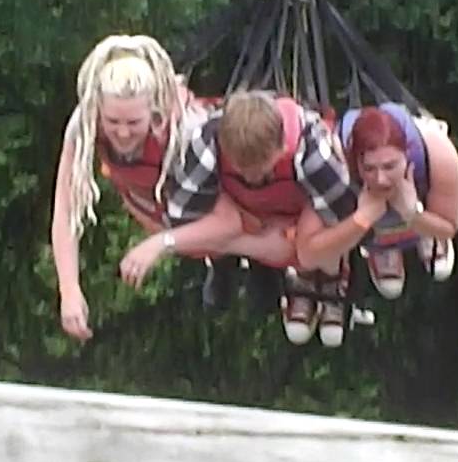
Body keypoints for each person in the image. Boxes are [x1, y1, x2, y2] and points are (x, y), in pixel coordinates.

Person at [50, 36, 286, 343]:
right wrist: (69, 289)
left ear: (154, 111)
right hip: (148, 202)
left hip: (212, 205)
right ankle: (219, 260)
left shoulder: (186, 131)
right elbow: (66, 209)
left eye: (134, 122)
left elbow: (229, 221)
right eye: (112, 121)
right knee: (182, 229)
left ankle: (255, 266)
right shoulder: (84, 124)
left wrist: (161, 244)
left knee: (280, 247)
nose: (122, 133)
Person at [128, 89, 358, 347]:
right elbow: (183, 216)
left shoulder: (312, 154)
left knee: (316, 242)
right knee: (200, 232)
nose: (252, 179)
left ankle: (328, 278)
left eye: (262, 170)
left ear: (282, 147)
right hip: (248, 221)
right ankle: (259, 265)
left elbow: (344, 213)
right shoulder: (206, 142)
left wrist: (297, 237)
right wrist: (166, 241)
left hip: (305, 215)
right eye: (242, 171)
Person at [295, 103, 458, 300]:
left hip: (420, 196)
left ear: (407, 154)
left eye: (390, 166)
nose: (380, 179)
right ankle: (380, 245)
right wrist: (360, 220)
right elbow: (307, 255)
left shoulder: (437, 152)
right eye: (369, 168)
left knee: (433, 218)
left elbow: (449, 227)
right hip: (353, 191)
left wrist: (413, 215)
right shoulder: (336, 164)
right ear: (355, 162)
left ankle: (420, 233)